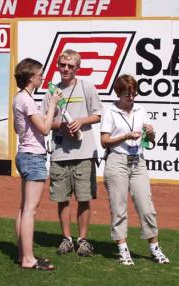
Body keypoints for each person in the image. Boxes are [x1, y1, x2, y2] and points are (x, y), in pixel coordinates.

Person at [100, 74, 170, 265]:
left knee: (146, 206)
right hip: (117, 160)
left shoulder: (140, 110)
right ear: (119, 93)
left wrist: (151, 133)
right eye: (127, 94)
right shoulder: (110, 111)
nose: (131, 98)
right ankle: (123, 249)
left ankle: (154, 247)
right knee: (118, 207)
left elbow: (150, 141)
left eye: (134, 93)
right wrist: (125, 136)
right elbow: (104, 141)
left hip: (138, 161)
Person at [43, 49, 103, 257]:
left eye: (70, 66)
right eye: (62, 65)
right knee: (62, 198)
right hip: (60, 152)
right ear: (58, 66)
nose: (66, 69)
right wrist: (61, 126)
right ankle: (66, 239)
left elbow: (97, 115)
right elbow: (45, 122)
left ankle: (83, 240)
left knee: (84, 197)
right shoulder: (52, 92)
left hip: (84, 152)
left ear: (78, 67)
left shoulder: (86, 86)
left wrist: (80, 122)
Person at [13, 58, 61, 270]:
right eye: (40, 74)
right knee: (30, 210)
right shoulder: (28, 100)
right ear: (31, 76)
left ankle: (23, 254)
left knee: (24, 208)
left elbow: (18, 129)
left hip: (24, 153)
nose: (42, 77)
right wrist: (51, 105)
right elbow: (44, 128)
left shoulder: (19, 98)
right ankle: (28, 259)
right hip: (33, 156)